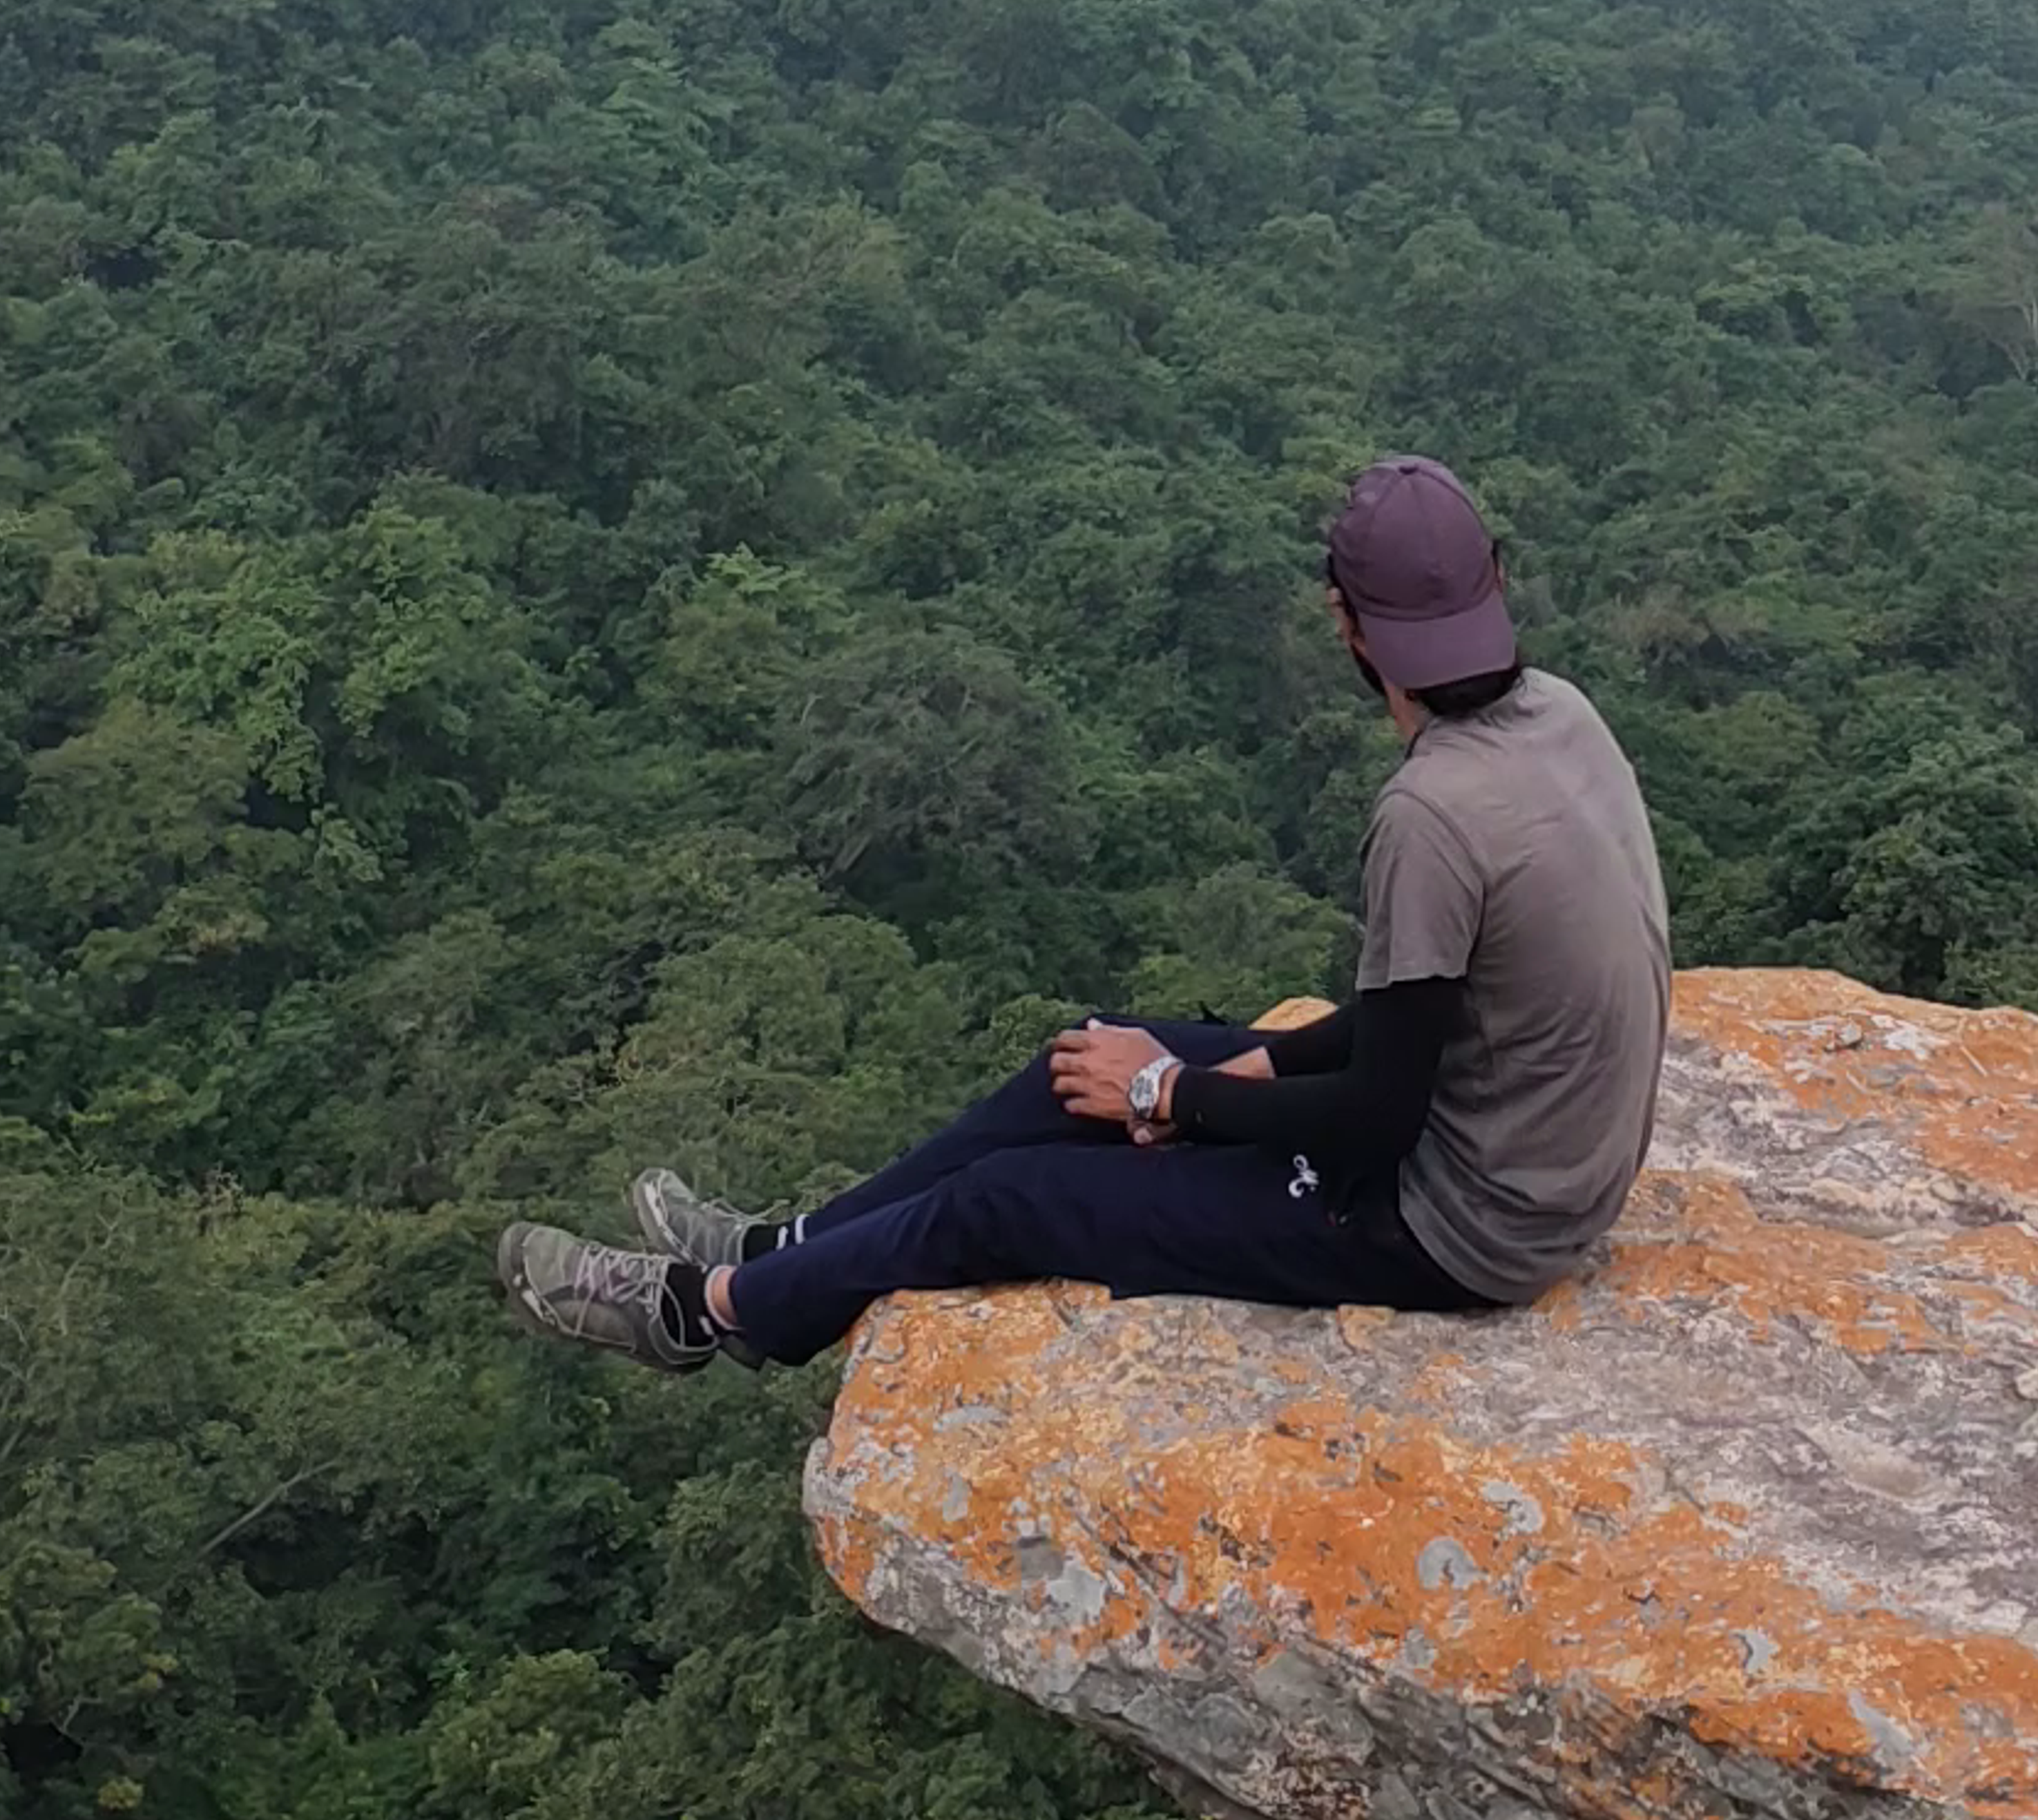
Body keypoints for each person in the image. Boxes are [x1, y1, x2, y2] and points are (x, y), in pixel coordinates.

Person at [497, 454, 1673, 1378]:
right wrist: (1232, 1070)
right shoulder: (1560, 716)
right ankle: (781, 1248)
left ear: (1346, 623)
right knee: (1080, 1061)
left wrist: (1175, 1096)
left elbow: (1378, 1114)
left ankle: (703, 1315)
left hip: (1456, 1224)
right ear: (1496, 585)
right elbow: (1415, 1015)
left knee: (1011, 1197)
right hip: (1530, 1158)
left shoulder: (1431, 812)